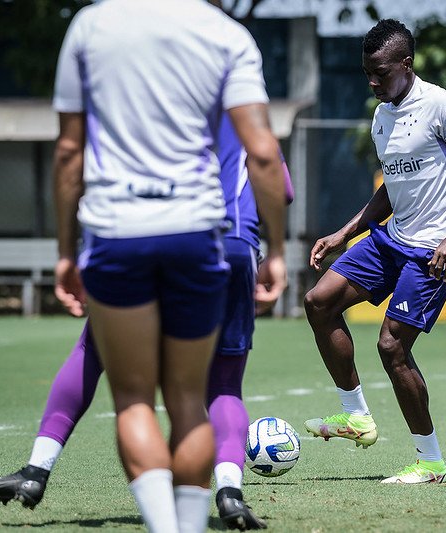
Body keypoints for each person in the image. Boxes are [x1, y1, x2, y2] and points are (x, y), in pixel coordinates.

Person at [49, 1, 288, 531]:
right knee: (189, 399)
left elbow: (68, 152)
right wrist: (275, 250)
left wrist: (65, 250)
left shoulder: (90, 26)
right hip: (196, 233)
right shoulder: (226, 34)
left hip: (116, 232)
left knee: (134, 400)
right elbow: (263, 152)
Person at [0, 121, 291, 532]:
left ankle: (37, 468)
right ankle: (229, 492)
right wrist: (276, 249)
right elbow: (279, 184)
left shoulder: (160, 108)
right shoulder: (240, 110)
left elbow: (79, 158)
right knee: (222, 385)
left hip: (152, 234)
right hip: (232, 243)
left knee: (95, 354)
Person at [302, 19, 446, 484]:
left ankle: (430, 463)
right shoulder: (381, 117)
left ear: (406, 65)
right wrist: (345, 233)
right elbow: (391, 190)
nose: (372, 82)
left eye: (381, 73)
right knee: (319, 302)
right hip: (393, 238)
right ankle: (356, 416)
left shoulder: (441, 105)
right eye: (367, 73)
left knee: (392, 346)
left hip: (435, 249)